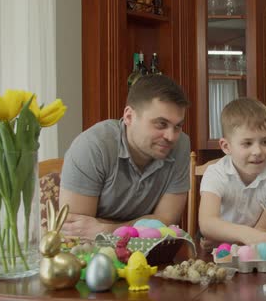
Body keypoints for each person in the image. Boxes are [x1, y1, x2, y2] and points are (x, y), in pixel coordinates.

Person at [60, 75, 191, 239]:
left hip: (146, 254)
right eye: (161, 124)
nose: (171, 136)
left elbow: (165, 220)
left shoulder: (181, 145)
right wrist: (146, 224)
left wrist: (105, 229)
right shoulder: (93, 146)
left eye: (177, 126)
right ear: (129, 117)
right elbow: (77, 232)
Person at [198, 98, 266, 246]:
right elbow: (207, 223)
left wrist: (225, 237)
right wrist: (244, 235)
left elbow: (263, 230)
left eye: (265, 142)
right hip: (220, 251)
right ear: (226, 146)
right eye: (247, 143)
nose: (258, 151)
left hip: (252, 249)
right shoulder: (216, 173)